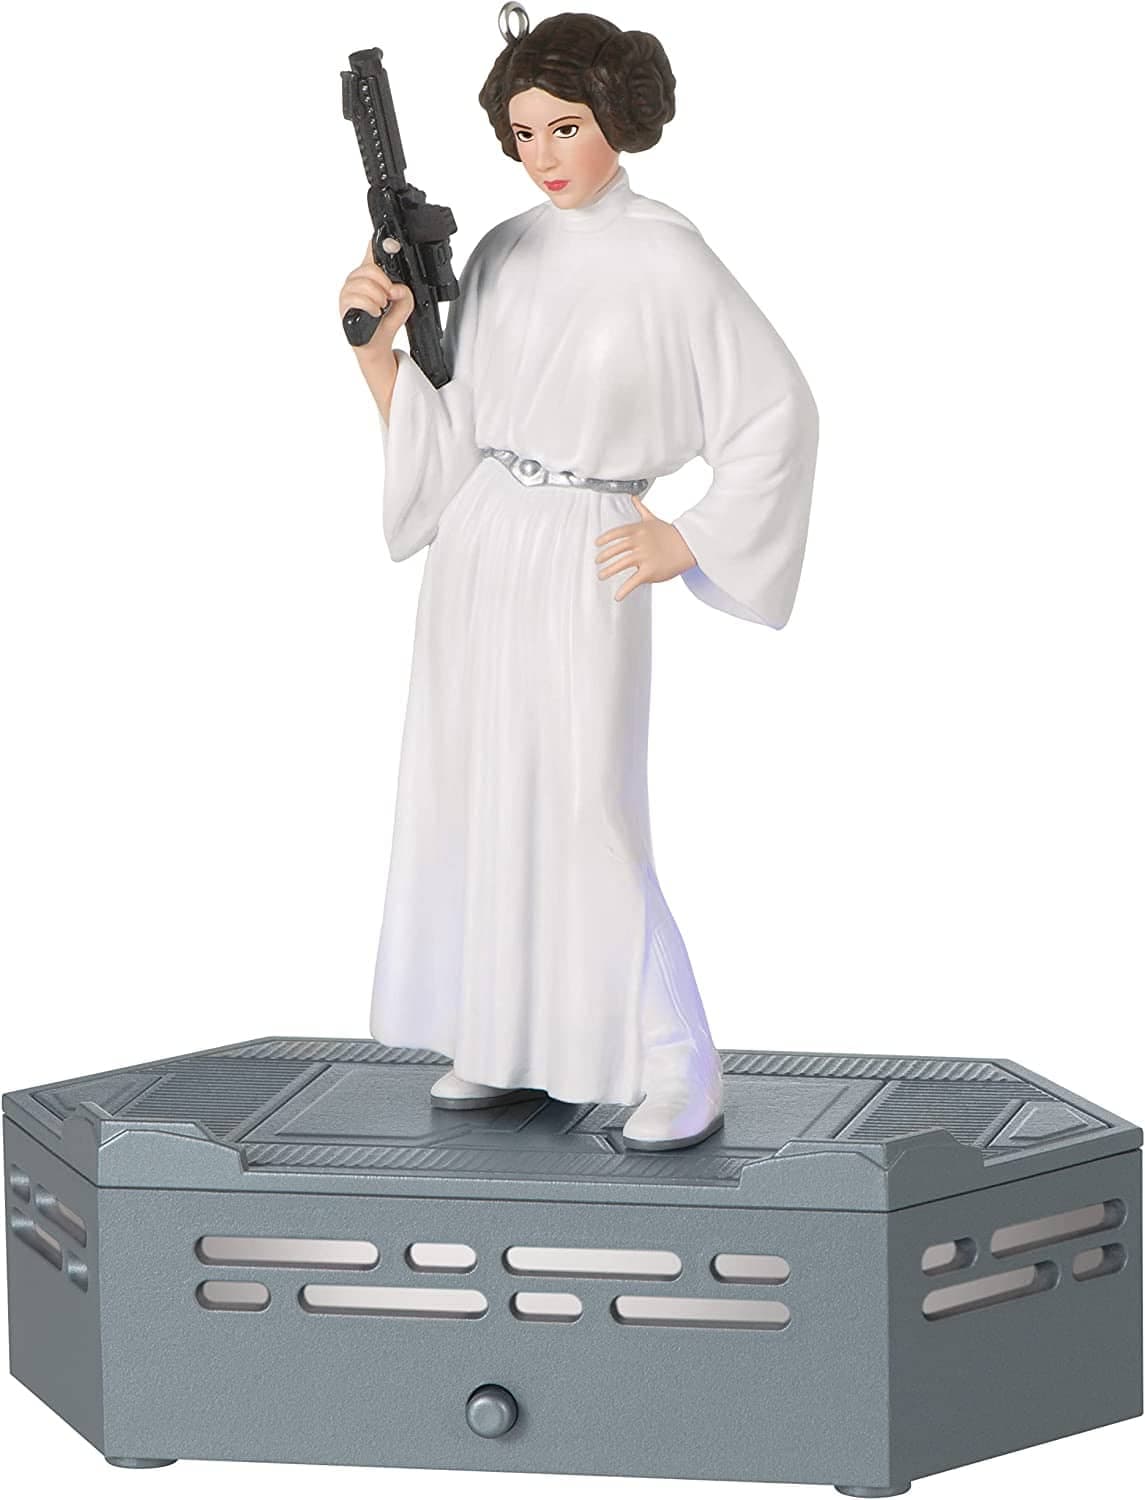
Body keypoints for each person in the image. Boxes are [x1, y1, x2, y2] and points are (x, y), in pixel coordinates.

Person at [338, 8, 818, 1150]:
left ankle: (674, 1058)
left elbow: (777, 410)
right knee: (479, 787)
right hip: (481, 544)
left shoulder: (668, 256)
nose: (543, 155)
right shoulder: (503, 250)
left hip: (587, 545)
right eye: (523, 132)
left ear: (616, 118)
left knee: (587, 807)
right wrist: (377, 353)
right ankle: (507, 1038)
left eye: (565, 126)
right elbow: (451, 428)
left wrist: (690, 536)